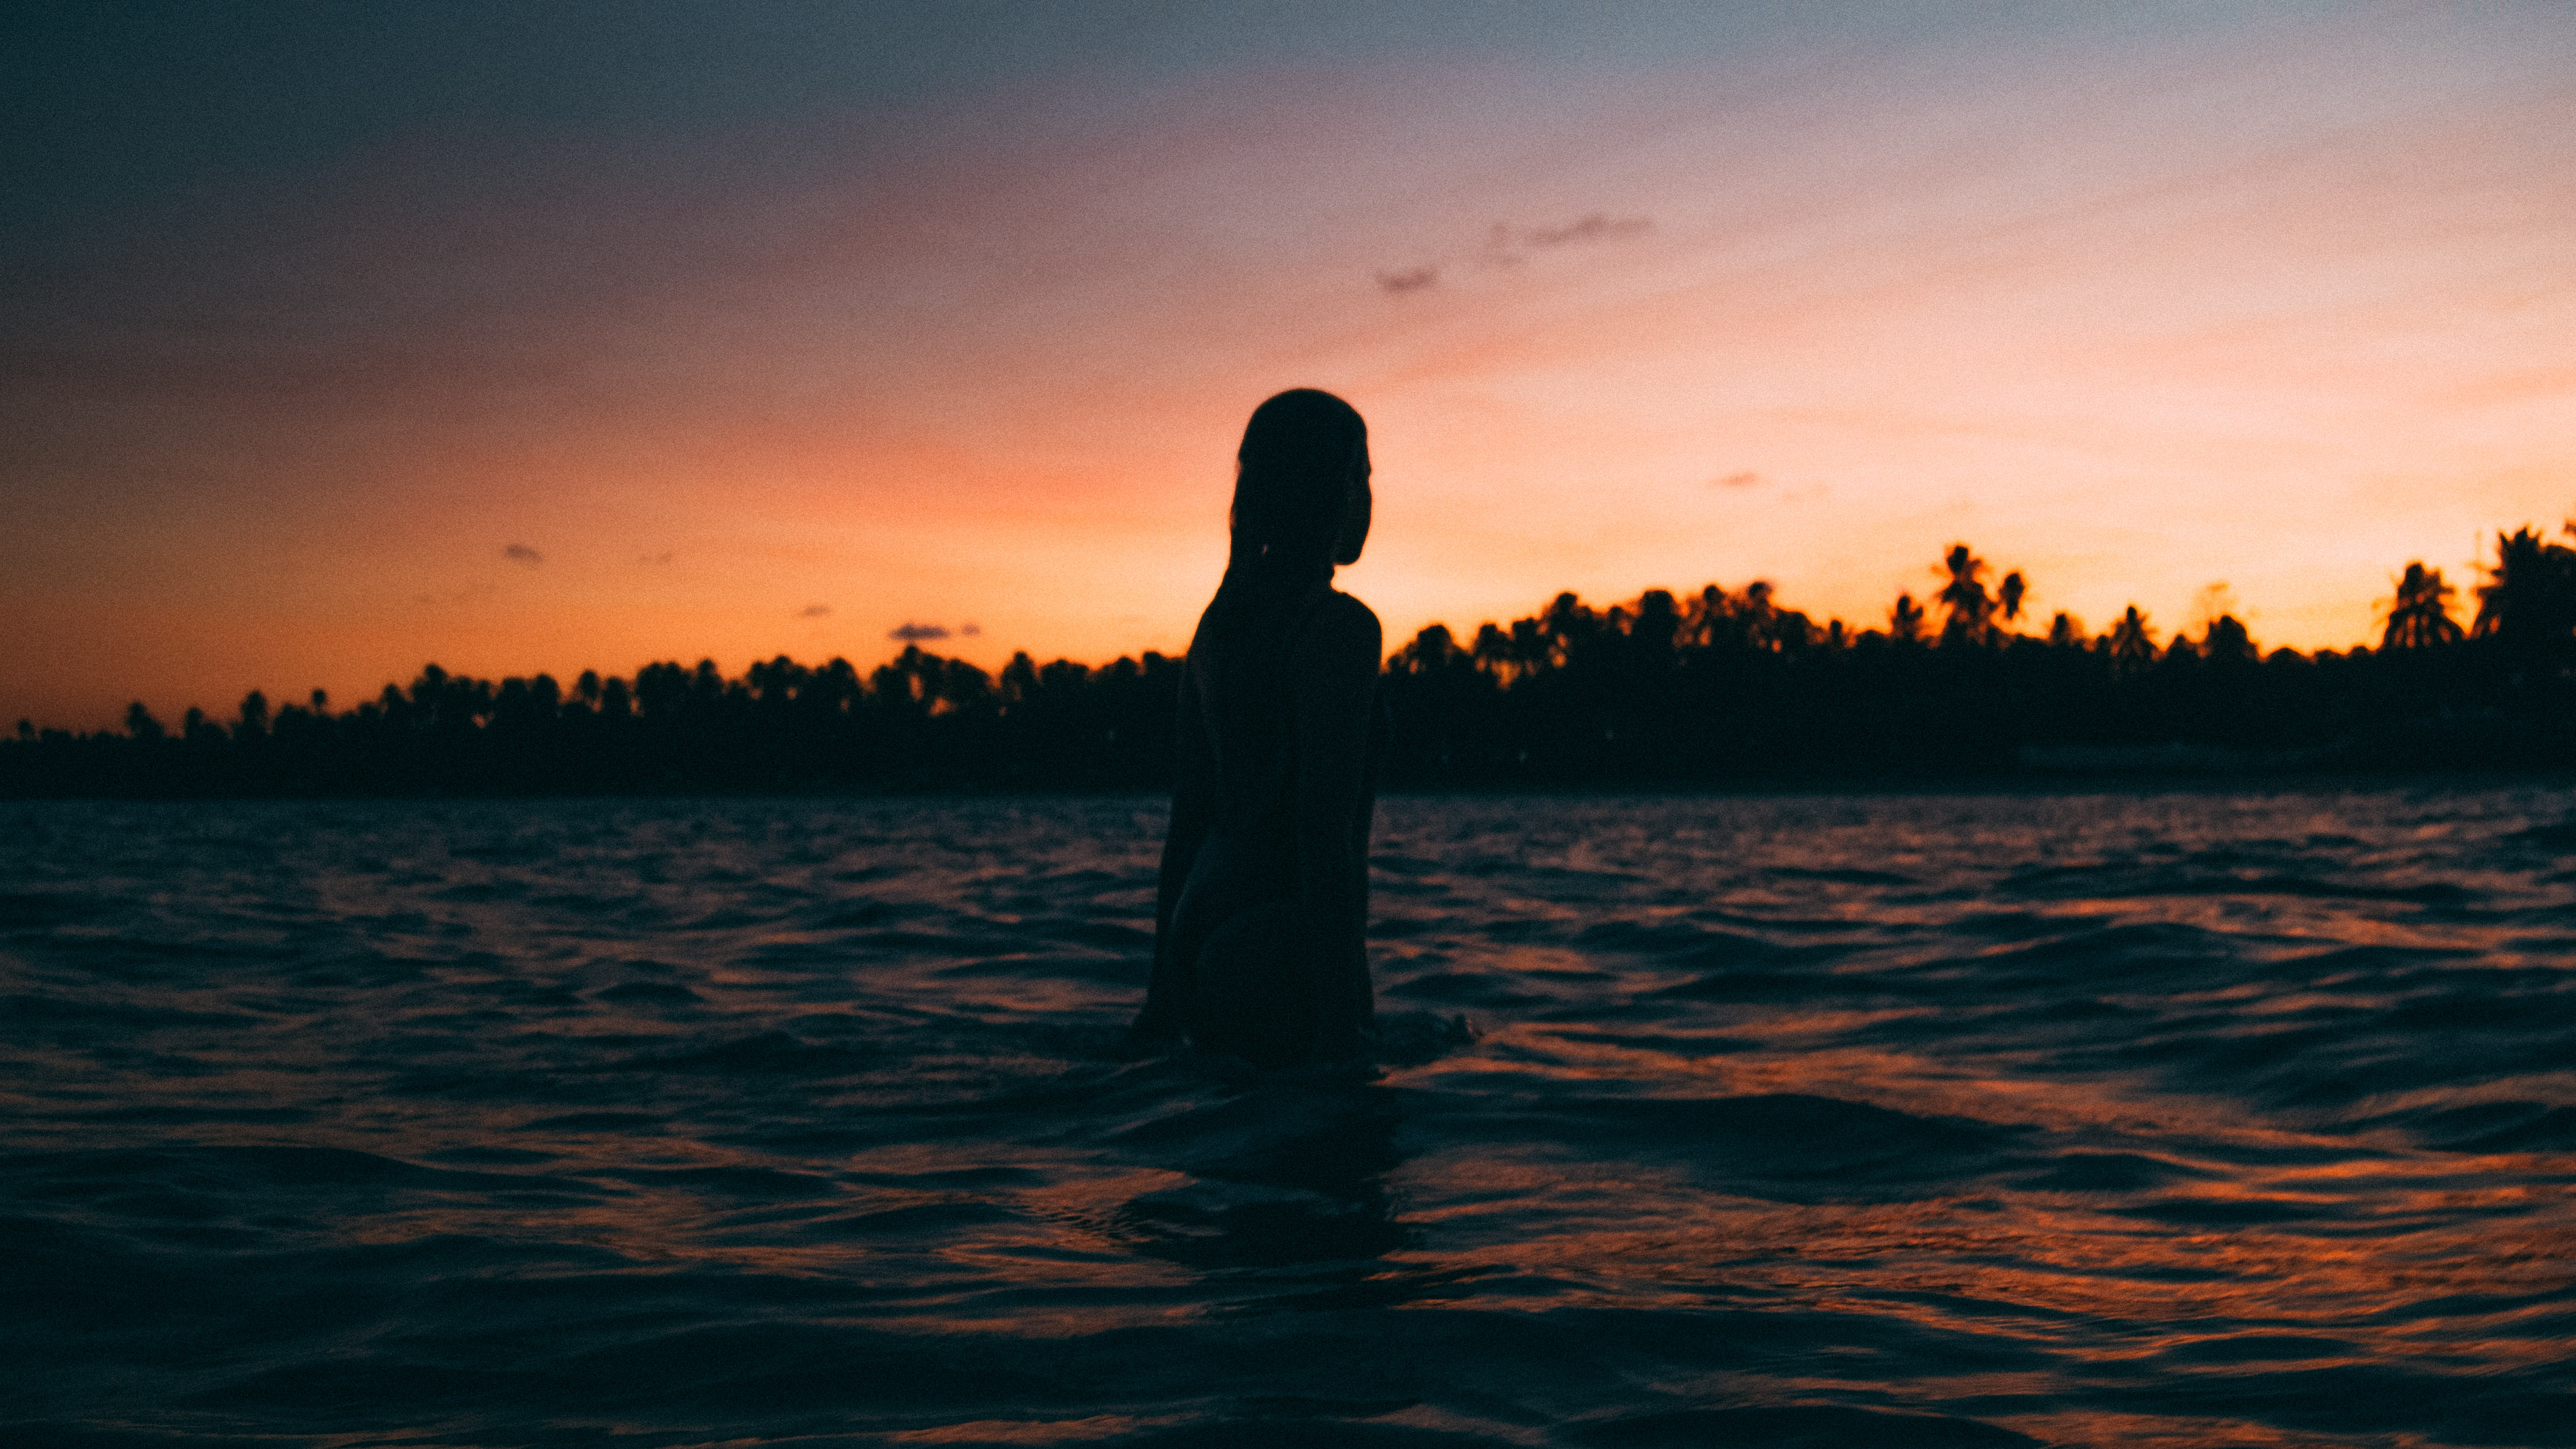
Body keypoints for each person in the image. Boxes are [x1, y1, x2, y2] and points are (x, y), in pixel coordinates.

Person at [1127, 388, 1386, 1069]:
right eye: (1363, 474)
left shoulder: (1217, 629)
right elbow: (1322, 835)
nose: (1368, 496)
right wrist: (1342, 1029)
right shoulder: (1339, 629)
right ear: (1334, 486)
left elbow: (1186, 827)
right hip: (1279, 944)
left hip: (1197, 938)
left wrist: (1159, 1003)